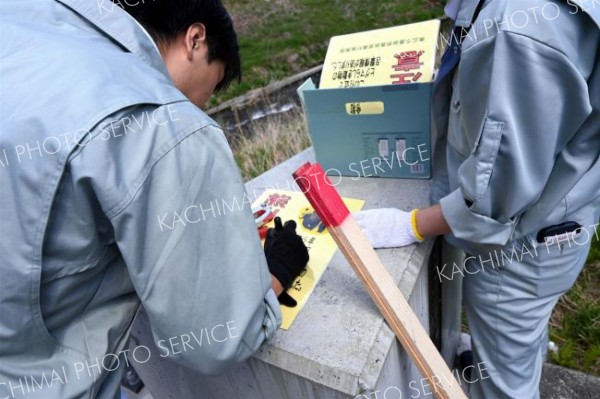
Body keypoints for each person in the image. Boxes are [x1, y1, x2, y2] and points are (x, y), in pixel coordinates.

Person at [0, 0, 308, 398]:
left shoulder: (25, 17)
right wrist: (276, 272)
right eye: (210, 89)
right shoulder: (161, 121)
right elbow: (215, 338)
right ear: (195, 40)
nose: (202, 105)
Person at [356, 0, 600, 398]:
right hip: (565, 219)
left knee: (506, 385)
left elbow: (496, 193)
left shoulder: (520, 30)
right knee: (524, 335)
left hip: (517, 254)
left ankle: (504, 374)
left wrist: (412, 224)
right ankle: (513, 359)